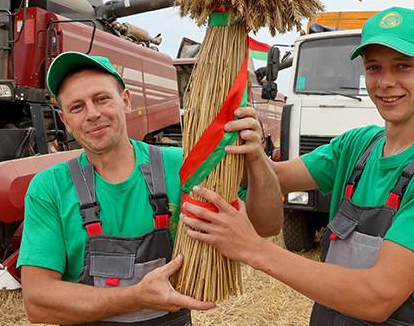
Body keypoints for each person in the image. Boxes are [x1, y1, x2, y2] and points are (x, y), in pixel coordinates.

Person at [181, 7, 414, 326]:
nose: (385, 82)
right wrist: (248, 147)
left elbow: (378, 297)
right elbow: (276, 179)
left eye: (403, 67)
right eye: (374, 68)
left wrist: (253, 249)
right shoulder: (359, 145)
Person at [18, 51, 281, 325]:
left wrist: (257, 158)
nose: (93, 114)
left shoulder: (181, 166)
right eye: (77, 107)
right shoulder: (50, 188)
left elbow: (267, 225)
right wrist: (137, 297)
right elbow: (38, 302)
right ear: (65, 121)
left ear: (126, 100)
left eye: (102, 99)